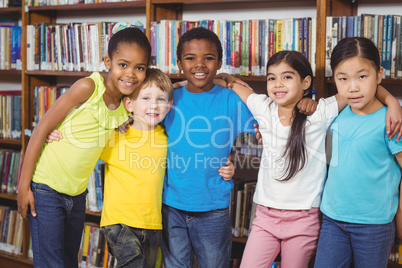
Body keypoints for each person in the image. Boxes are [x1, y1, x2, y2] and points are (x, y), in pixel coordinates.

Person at [215, 49, 402, 268]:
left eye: (287, 77)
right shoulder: (263, 107)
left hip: (305, 219)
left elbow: (358, 86)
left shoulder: (321, 113)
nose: (278, 84)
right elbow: (224, 81)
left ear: (305, 83)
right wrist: (226, 80)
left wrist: (393, 103)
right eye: (271, 78)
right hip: (265, 216)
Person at [17, 25, 151, 268]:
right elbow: (41, 130)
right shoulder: (88, 87)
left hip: (77, 196)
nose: (131, 74)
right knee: (51, 264)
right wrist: (23, 187)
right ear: (107, 61)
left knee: (69, 262)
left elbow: (162, 88)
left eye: (139, 68)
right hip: (46, 189)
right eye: (123, 64)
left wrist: (200, 81)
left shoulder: (126, 104)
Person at [160, 27, 256, 268]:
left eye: (208, 58)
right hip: (171, 206)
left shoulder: (231, 100)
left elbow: (264, 114)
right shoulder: (168, 98)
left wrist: (232, 81)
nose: (199, 65)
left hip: (214, 208)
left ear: (220, 63)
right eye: (190, 58)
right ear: (179, 63)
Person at [314, 37, 402, 267]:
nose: (353, 87)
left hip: (374, 225)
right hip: (332, 220)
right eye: (343, 79)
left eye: (363, 77)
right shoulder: (337, 112)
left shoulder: (390, 121)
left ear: (379, 74)